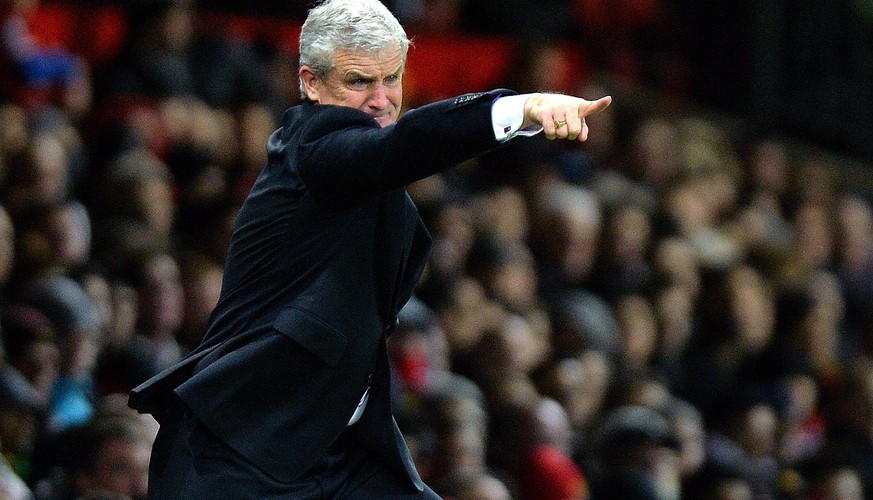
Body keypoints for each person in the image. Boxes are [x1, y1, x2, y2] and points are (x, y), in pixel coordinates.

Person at [128, 0, 612, 498]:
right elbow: (407, 144)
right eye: (359, 81)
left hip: (334, 451)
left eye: (392, 79)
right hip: (238, 453)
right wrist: (519, 110)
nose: (381, 100)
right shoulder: (312, 149)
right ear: (312, 84)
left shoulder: (363, 168)